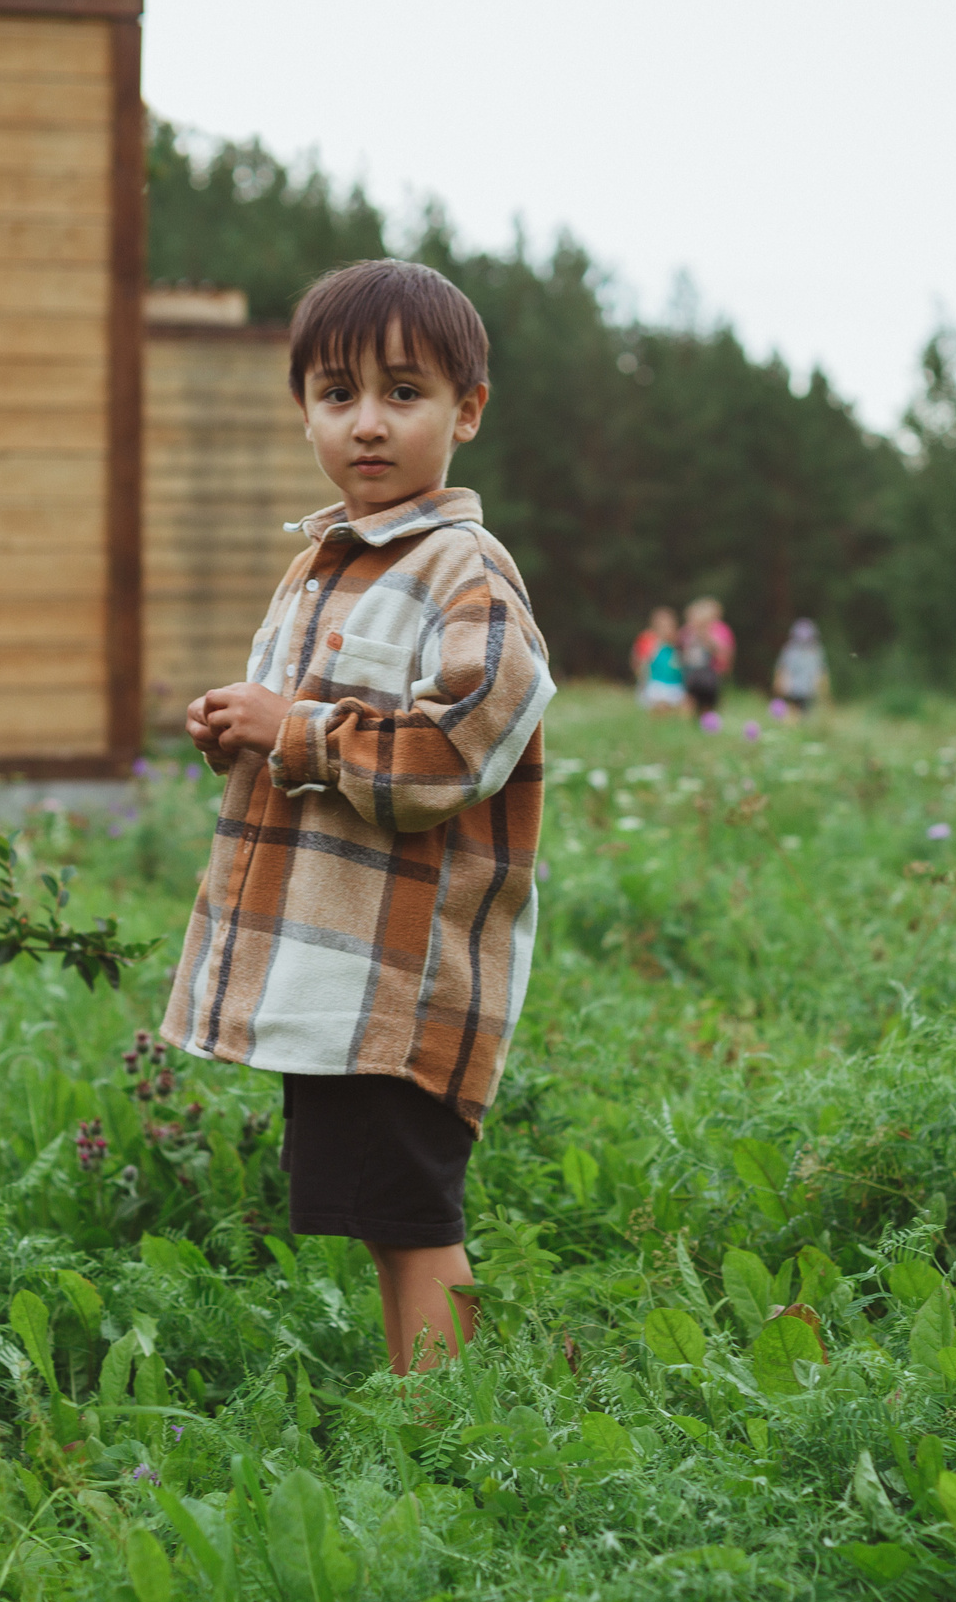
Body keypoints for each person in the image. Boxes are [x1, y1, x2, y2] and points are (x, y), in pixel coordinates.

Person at [165, 259, 555, 1375]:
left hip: (403, 974)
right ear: (304, 413)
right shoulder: (314, 573)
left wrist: (291, 730)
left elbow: (453, 752)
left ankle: (449, 1431)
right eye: (338, 396)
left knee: (415, 1217)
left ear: (465, 412)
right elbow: (305, 737)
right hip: (330, 970)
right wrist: (241, 731)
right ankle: (421, 1402)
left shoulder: (463, 573)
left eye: (403, 393)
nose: (367, 425)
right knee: (387, 1217)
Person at [678, 596, 733, 719]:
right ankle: (688, 723)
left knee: (708, 702)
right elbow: (681, 651)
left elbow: (723, 652)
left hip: (709, 674)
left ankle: (707, 722)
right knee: (690, 699)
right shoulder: (687, 632)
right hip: (692, 673)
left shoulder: (717, 632)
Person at [772, 617, 830, 716]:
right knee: (792, 715)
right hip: (792, 692)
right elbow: (782, 670)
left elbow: (820, 672)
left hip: (809, 692)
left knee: (805, 715)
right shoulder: (789, 650)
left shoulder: (816, 652)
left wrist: (822, 690)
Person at [632, 605, 680, 708]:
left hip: (675, 686)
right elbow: (640, 666)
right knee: (661, 705)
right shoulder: (648, 641)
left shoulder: (678, 643)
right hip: (655, 685)